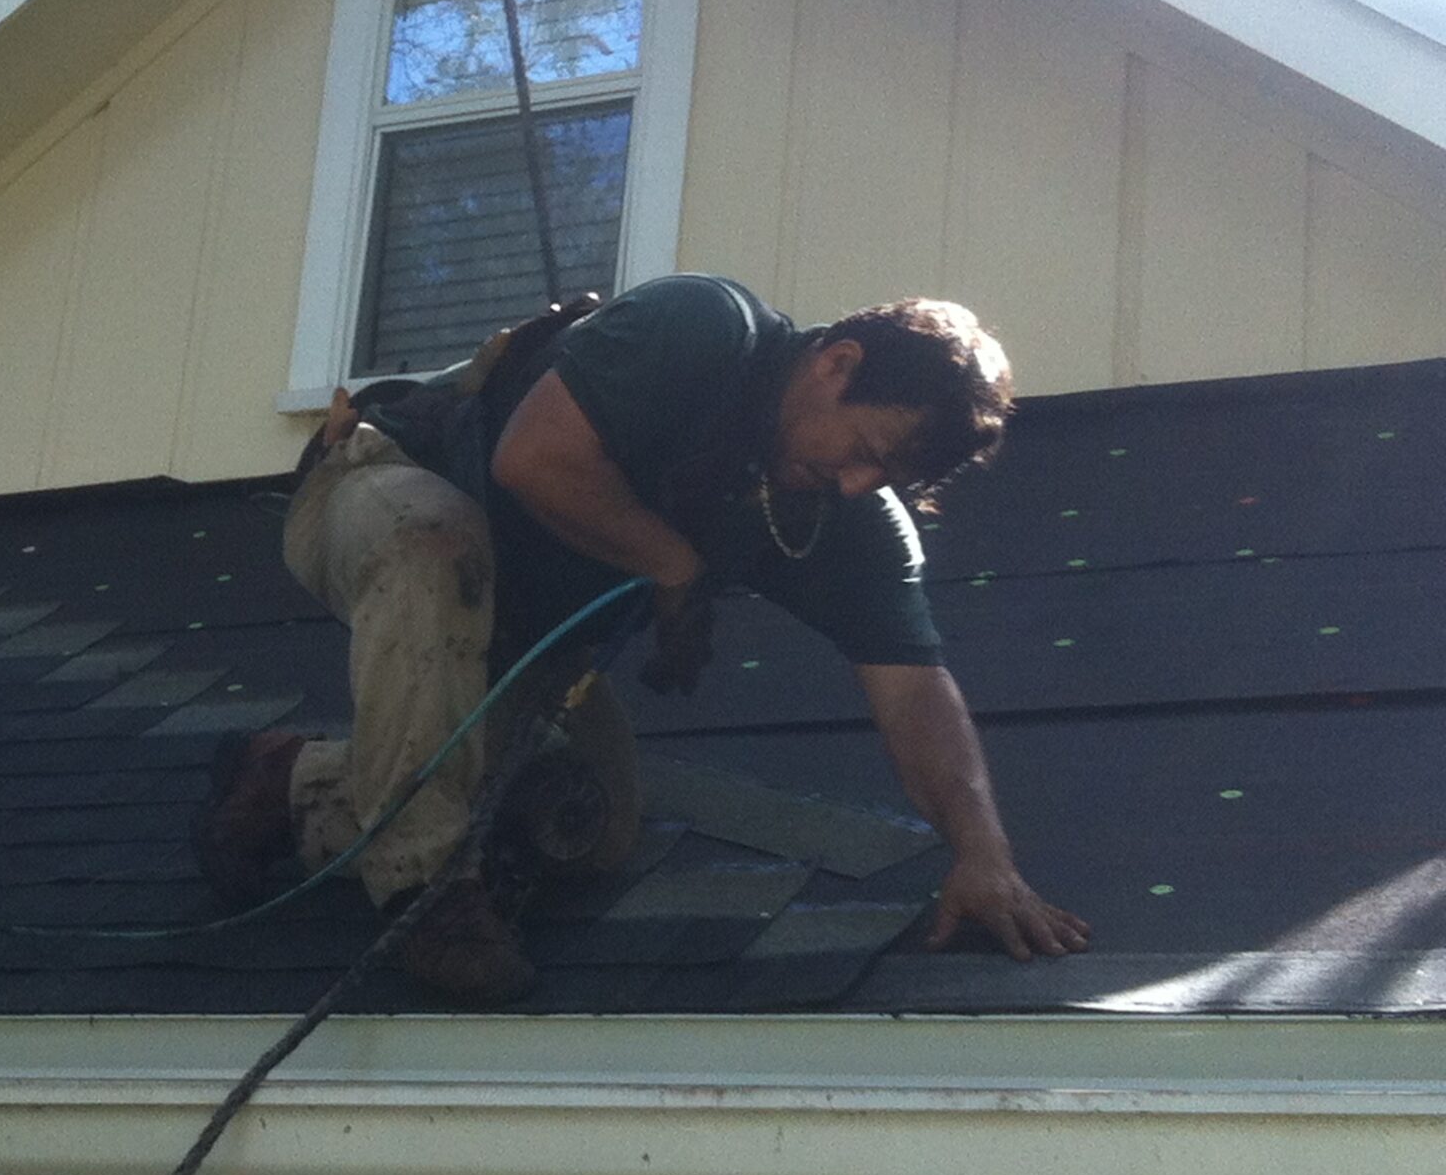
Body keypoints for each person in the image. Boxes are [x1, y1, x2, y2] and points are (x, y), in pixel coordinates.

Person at [194, 272, 1091, 1005]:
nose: (858, 485)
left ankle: (287, 779)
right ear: (838, 363)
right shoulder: (704, 326)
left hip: (515, 632)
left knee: (584, 821)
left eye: (887, 478)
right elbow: (532, 458)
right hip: (382, 492)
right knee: (437, 548)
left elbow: (915, 690)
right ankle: (425, 895)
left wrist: (984, 857)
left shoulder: (842, 517)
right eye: (866, 449)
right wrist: (673, 563)